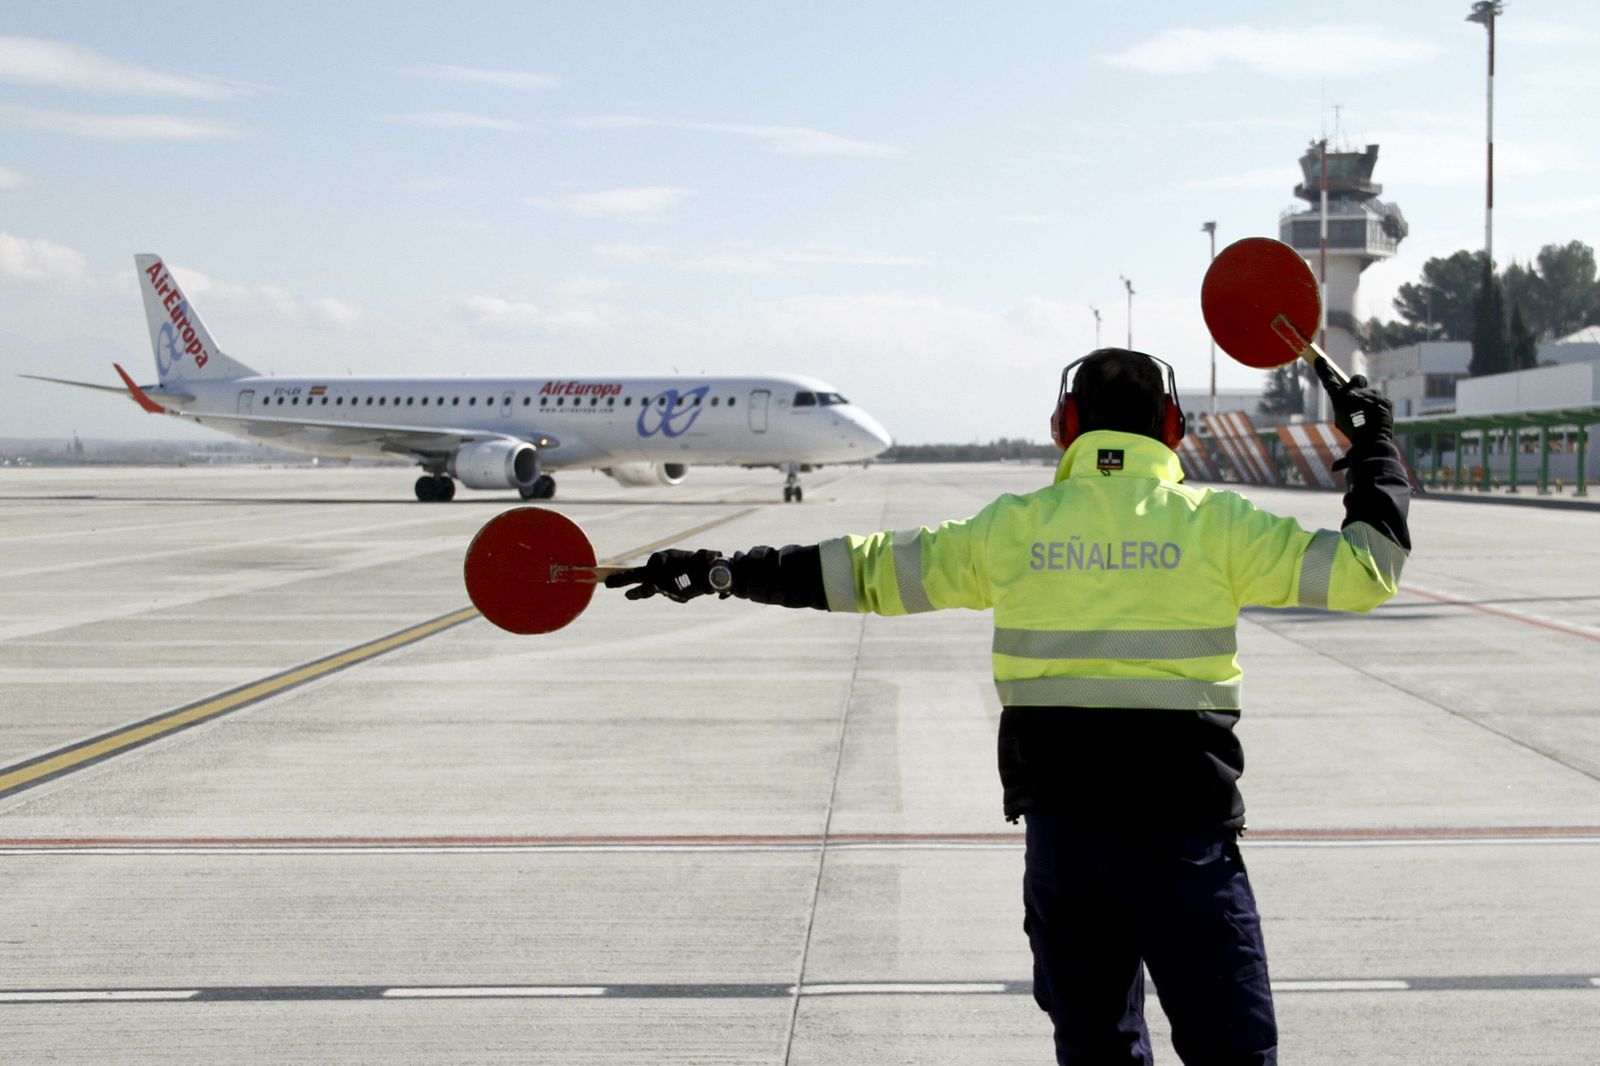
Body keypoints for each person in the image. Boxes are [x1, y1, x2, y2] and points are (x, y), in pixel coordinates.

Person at [605, 349, 1411, 1065]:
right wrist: (1371, 440)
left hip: (1066, 845)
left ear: (1065, 425)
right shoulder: (1219, 527)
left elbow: (862, 573)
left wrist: (720, 571)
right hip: (1183, 844)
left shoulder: (1014, 531)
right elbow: (1367, 570)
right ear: (1172, 428)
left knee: (1094, 1045)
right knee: (1231, 1048)